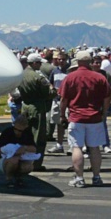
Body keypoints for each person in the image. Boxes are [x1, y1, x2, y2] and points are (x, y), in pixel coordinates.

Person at [60, 50, 111, 188]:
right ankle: (96, 176)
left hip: (76, 117)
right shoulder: (100, 77)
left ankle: (79, 178)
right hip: (94, 117)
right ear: (89, 62)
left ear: (77, 61)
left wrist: (62, 115)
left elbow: (64, 99)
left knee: (76, 147)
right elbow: (107, 98)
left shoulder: (70, 77)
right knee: (95, 148)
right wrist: (104, 112)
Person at [17, 53, 54, 171]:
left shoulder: (21, 75)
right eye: (39, 63)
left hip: (25, 106)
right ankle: (36, 164)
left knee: (25, 135)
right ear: (34, 63)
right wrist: (54, 92)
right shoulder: (38, 77)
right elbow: (46, 94)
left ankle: (23, 159)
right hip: (37, 107)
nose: (40, 65)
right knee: (38, 137)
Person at [0, 114, 37, 188]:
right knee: (14, 160)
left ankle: (19, 176)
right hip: (5, 159)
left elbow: (34, 149)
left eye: (20, 131)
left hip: (21, 158)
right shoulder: (7, 132)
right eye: (15, 129)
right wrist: (12, 151)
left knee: (29, 167)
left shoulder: (28, 133)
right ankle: (9, 178)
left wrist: (24, 148)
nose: (17, 132)